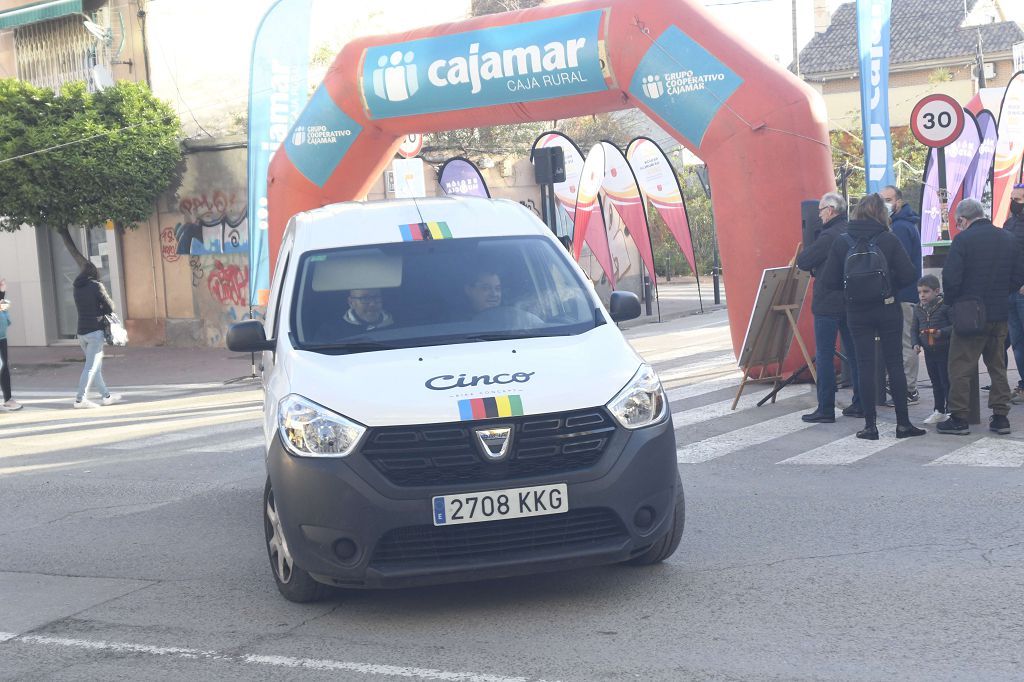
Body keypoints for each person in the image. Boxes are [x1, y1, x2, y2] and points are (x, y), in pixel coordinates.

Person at [819, 193, 925, 440]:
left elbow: (828, 281)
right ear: (881, 214)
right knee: (894, 363)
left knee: (865, 365)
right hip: (887, 307)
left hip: (856, 311)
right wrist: (891, 286)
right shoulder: (888, 239)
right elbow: (910, 274)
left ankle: (870, 426)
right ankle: (903, 424)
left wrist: (850, 292)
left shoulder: (843, 241)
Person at [938, 199, 1024, 436]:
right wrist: (1001, 293)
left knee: (960, 365)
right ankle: (1000, 417)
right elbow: (1018, 275)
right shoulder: (1007, 238)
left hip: (969, 313)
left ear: (963, 220)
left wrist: (953, 303)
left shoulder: (962, 240)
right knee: (997, 365)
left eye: (958, 222)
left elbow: (951, 279)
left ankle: (959, 418)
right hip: (999, 312)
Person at [796, 192, 861, 422]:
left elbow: (803, 261)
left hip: (827, 302)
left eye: (821, 211)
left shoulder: (829, 236)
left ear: (831, 210)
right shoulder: (853, 231)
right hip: (851, 299)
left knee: (824, 354)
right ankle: (860, 403)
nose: (819, 215)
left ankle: (825, 407)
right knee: (854, 353)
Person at [879, 185, 922, 406]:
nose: (885, 203)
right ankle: (901, 385)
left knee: (906, 341)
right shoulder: (898, 225)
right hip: (902, 293)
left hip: (904, 294)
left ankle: (909, 389)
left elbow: (898, 263)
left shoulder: (901, 228)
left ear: (899, 201)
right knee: (900, 340)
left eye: (888, 199)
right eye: (882, 199)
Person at [72, 262, 122, 408]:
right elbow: (110, 307)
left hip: (81, 332)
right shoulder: (96, 286)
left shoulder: (76, 287)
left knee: (95, 367)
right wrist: (100, 308)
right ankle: (80, 400)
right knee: (90, 367)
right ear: (94, 273)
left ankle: (106, 396)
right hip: (95, 332)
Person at [912, 275, 952, 425]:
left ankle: (950, 410)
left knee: (946, 381)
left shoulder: (945, 306)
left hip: (944, 349)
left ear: (936, 291)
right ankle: (939, 410)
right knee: (935, 382)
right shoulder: (917, 308)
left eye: (926, 291)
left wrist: (942, 332)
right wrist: (915, 343)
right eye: (920, 292)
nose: (922, 295)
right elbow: (914, 328)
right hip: (929, 352)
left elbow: (955, 326)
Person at [1001, 183, 1024, 404]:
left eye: (1018, 199)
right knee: (1017, 342)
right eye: (1013, 198)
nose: (1014, 203)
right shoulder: (1009, 223)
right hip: (1009, 291)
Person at [315, 288, 394, 341]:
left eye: (376, 297)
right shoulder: (329, 330)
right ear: (351, 302)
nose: (372, 304)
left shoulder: (398, 323)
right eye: (365, 298)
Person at [0, 278, 21, 411]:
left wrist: (2, 294)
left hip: (2, 335)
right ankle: (8, 399)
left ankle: (8, 399)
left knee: (4, 367)